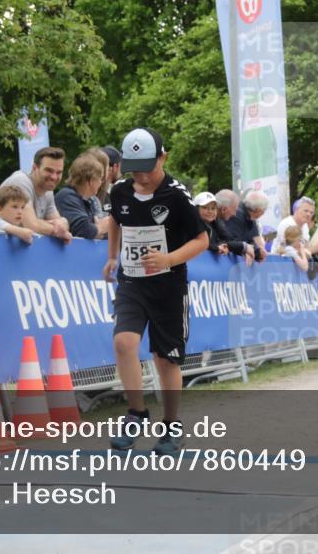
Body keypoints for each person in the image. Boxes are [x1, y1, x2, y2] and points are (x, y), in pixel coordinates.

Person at [104, 128, 208, 456]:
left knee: (165, 359)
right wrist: (112, 256)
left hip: (169, 287)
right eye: (135, 168)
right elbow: (115, 222)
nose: (142, 176)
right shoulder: (120, 190)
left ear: (163, 157)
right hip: (132, 282)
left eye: (148, 167)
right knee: (124, 342)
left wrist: (168, 258)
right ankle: (136, 412)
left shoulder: (177, 195)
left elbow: (202, 239)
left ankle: (172, 426)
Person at [0, 146, 71, 242]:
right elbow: (32, 226)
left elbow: (60, 224)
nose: (54, 177)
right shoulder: (21, 181)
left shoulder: (48, 190)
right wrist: (59, 229)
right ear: (34, 168)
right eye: (49, 170)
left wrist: (63, 223)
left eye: (59, 172)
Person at [55, 154, 109, 240]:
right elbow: (83, 230)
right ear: (91, 181)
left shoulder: (88, 200)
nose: (101, 183)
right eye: (100, 179)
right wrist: (101, 228)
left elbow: (101, 235)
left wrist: (96, 230)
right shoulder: (66, 197)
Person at [222, 189, 268, 261]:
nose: (263, 213)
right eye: (264, 210)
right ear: (259, 210)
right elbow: (233, 241)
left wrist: (258, 251)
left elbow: (251, 240)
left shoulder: (250, 217)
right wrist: (247, 250)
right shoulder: (236, 215)